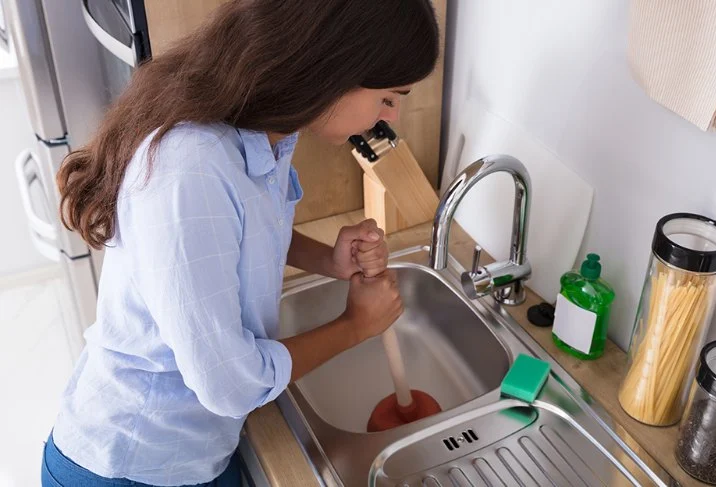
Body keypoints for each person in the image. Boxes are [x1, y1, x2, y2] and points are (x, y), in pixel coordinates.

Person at [40, 0, 439, 485]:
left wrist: (328, 260)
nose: (390, 117)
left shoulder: (263, 128)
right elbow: (229, 384)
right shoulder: (190, 166)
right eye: (388, 97)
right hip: (133, 463)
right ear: (336, 69)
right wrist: (356, 325)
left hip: (198, 450)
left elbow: (242, 231)